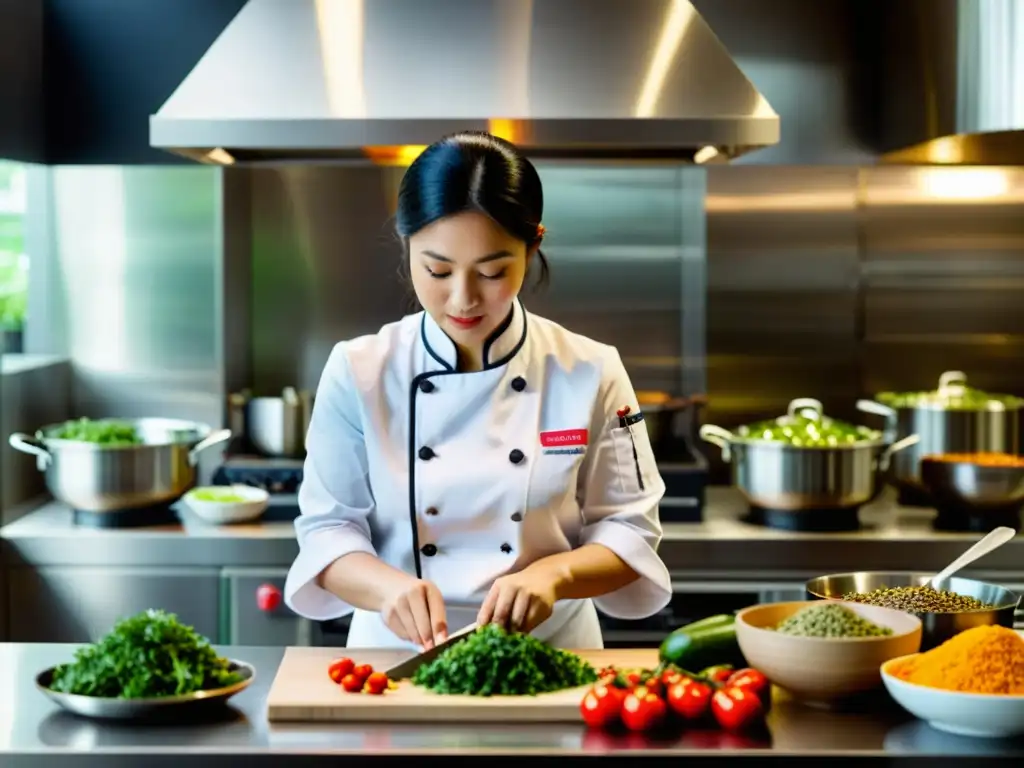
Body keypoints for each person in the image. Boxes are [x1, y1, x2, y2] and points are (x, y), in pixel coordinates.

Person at [284, 131, 672, 651]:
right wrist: (387, 589)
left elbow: (631, 530)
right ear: (406, 243)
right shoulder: (359, 370)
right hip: (396, 659)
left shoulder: (592, 369)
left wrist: (554, 576)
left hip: (551, 655)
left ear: (533, 245)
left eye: (493, 271)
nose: (464, 299)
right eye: (437, 270)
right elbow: (327, 531)